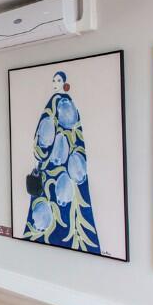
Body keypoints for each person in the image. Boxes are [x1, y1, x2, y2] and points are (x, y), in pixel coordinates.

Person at [23, 71, 100, 254]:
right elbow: (77, 141)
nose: (55, 83)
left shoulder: (54, 103)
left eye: (58, 80)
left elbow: (42, 142)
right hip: (68, 172)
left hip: (52, 170)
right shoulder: (71, 105)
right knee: (69, 209)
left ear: (64, 82)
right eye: (54, 80)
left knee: (47, 210)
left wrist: (42, 154)